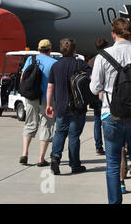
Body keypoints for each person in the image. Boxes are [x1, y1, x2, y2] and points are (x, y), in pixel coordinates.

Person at [89, 17, 131, 204]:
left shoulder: (103, 56)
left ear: (113, 34)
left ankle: (115, 201)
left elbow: (94, 88)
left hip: (111, 114)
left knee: (112, 163)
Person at [46, 38, 91, 175]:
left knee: (59, 132)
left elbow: (50, 87)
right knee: (74, 136)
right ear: (74, 50)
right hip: (78, 105)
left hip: (61, 106)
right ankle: (75, 164)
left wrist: (49, 105)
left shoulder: (55, 66)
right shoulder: (80, 64)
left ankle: (55, 158)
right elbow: (92, 78)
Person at [19, 39, 57, 166]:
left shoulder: (31, 59)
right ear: (50, 49)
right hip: (47, 99)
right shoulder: (54, 63)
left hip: (31, 97)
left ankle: (24, 153)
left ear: (39, 49)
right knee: (46, 125)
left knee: (30, 123)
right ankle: (41, 158)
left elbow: (22, 77)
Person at [88, 37, 109, 156]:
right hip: (107, 94)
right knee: (109, 120)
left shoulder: (91, 61)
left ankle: (98, 146)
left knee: (97, 121)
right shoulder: (108, 58)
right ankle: (110, 144)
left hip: (95, 94)